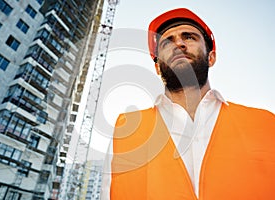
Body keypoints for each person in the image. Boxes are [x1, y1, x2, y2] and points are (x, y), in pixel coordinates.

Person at [101, 8, 275, 200]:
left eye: (189, 37)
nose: (179, 44)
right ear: (158, 67)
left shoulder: (265, 123)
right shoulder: (126, 131)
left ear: (211, 57)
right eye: (167, 42)